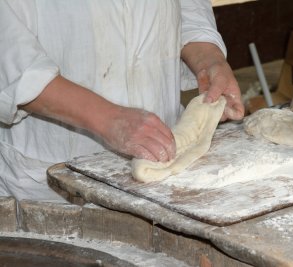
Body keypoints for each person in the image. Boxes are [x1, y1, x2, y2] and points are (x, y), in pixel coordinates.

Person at [0, 1, 245, 202]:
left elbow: (187, 8)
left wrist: (209, 61)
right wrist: (108, 118)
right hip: (54, 181)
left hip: (164, 161)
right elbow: (12, 63)